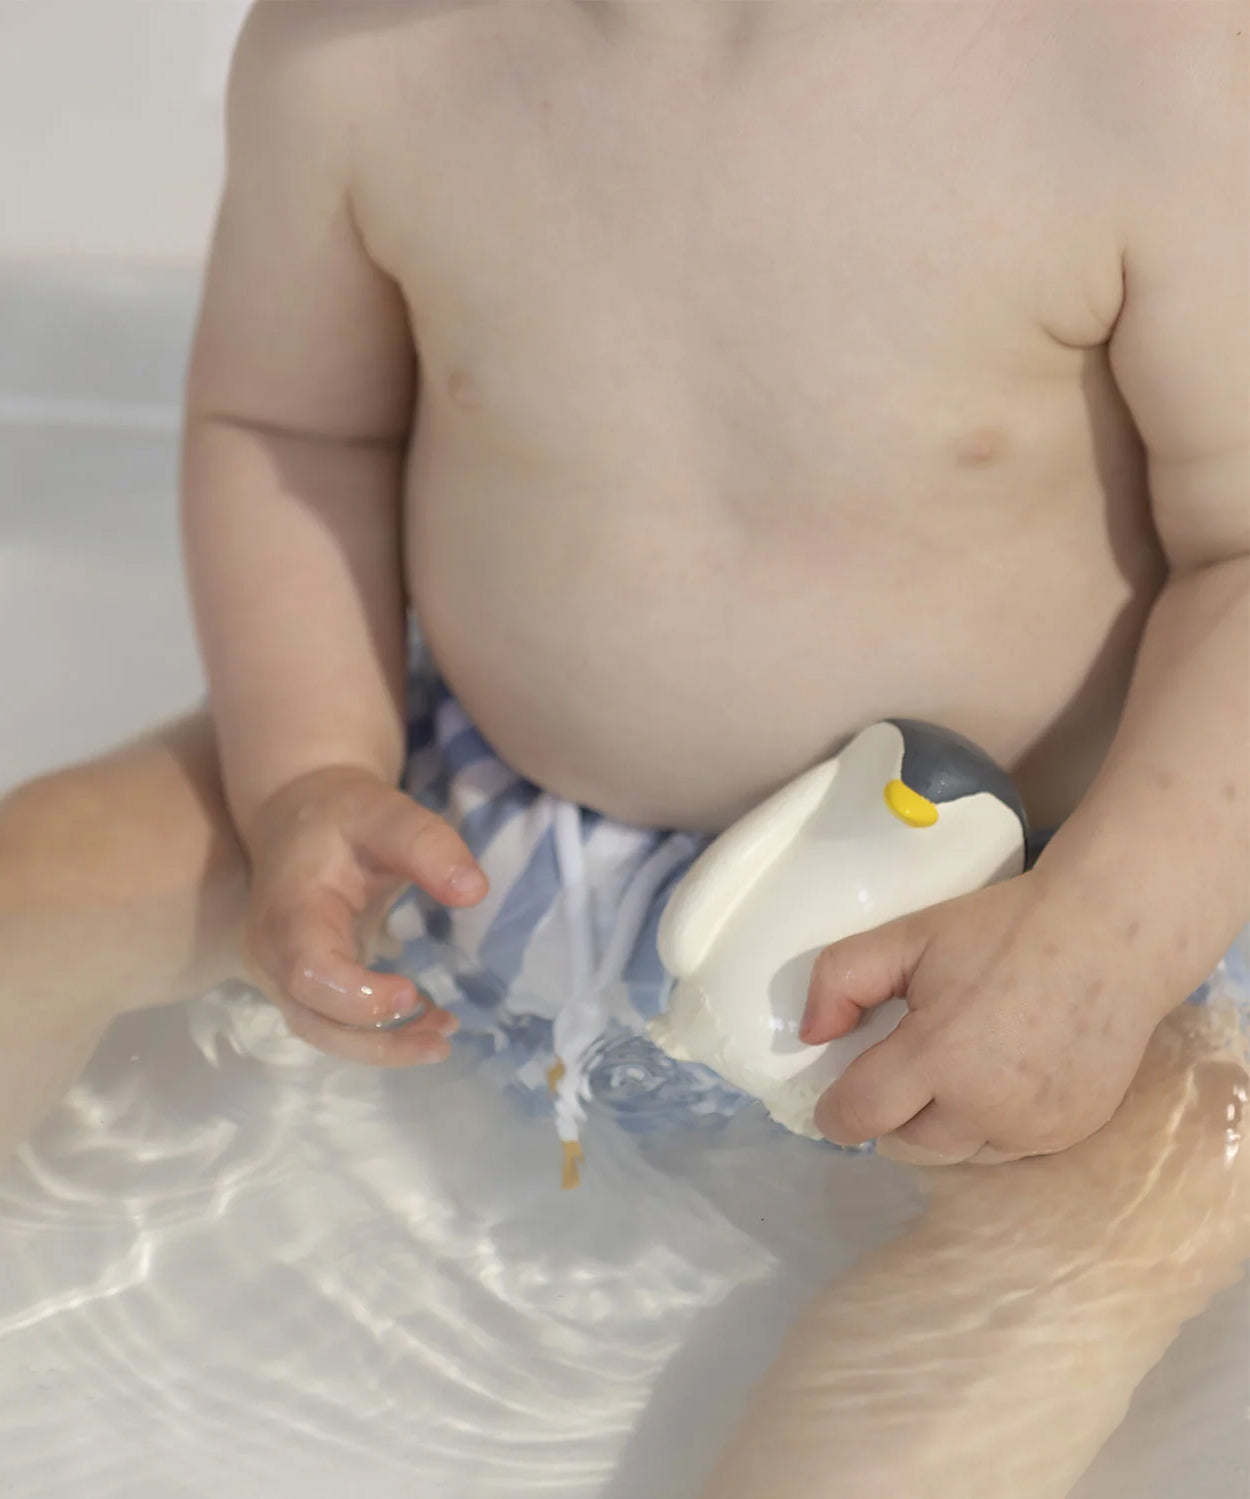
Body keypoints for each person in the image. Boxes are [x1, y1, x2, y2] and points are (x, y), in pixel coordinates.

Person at [0, 0, 1246, 1172]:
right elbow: (293, 431)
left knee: (1129, 1203)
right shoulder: (358, 48)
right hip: (460, 812)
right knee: (33, 883)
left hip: (1015, 905)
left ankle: (848, 1407)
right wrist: (308, 774)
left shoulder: (1140, 62)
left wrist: (1104, 941)